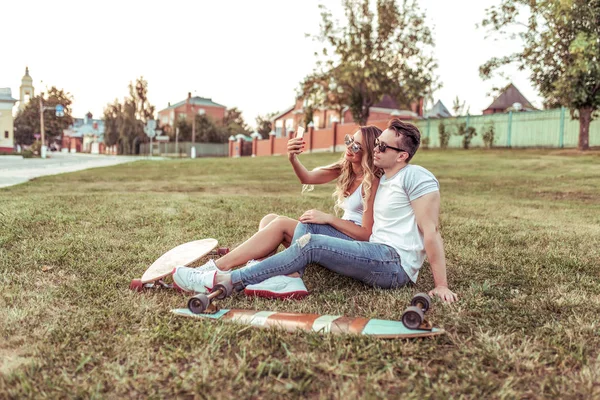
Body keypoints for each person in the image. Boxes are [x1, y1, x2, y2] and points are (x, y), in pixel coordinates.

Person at [174, 119, 458, 304]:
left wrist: (441, 285)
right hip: (376, 250)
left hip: (394, 264)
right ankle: (284, 277)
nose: (376, 149)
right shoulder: (382, 176)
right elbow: (316, 176)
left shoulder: (416, 176)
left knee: (311, 241)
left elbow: (430, 231)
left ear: (402, 155)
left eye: (383, 146)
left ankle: (223, 279)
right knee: (306, 226)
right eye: (377, 143)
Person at [185, 125, 384, 297]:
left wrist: (328, 219)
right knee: (270, 218)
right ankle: (259, 267)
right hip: (337, 236)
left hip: (351, 245)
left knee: (283, 224)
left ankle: (218, 267)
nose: (350, 147)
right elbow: (307, 177)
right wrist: (292, 157)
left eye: (357, 146)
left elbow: (366, 234)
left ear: (369, 153)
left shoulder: (371, 182)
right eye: (349, 140)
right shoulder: (345, 168)